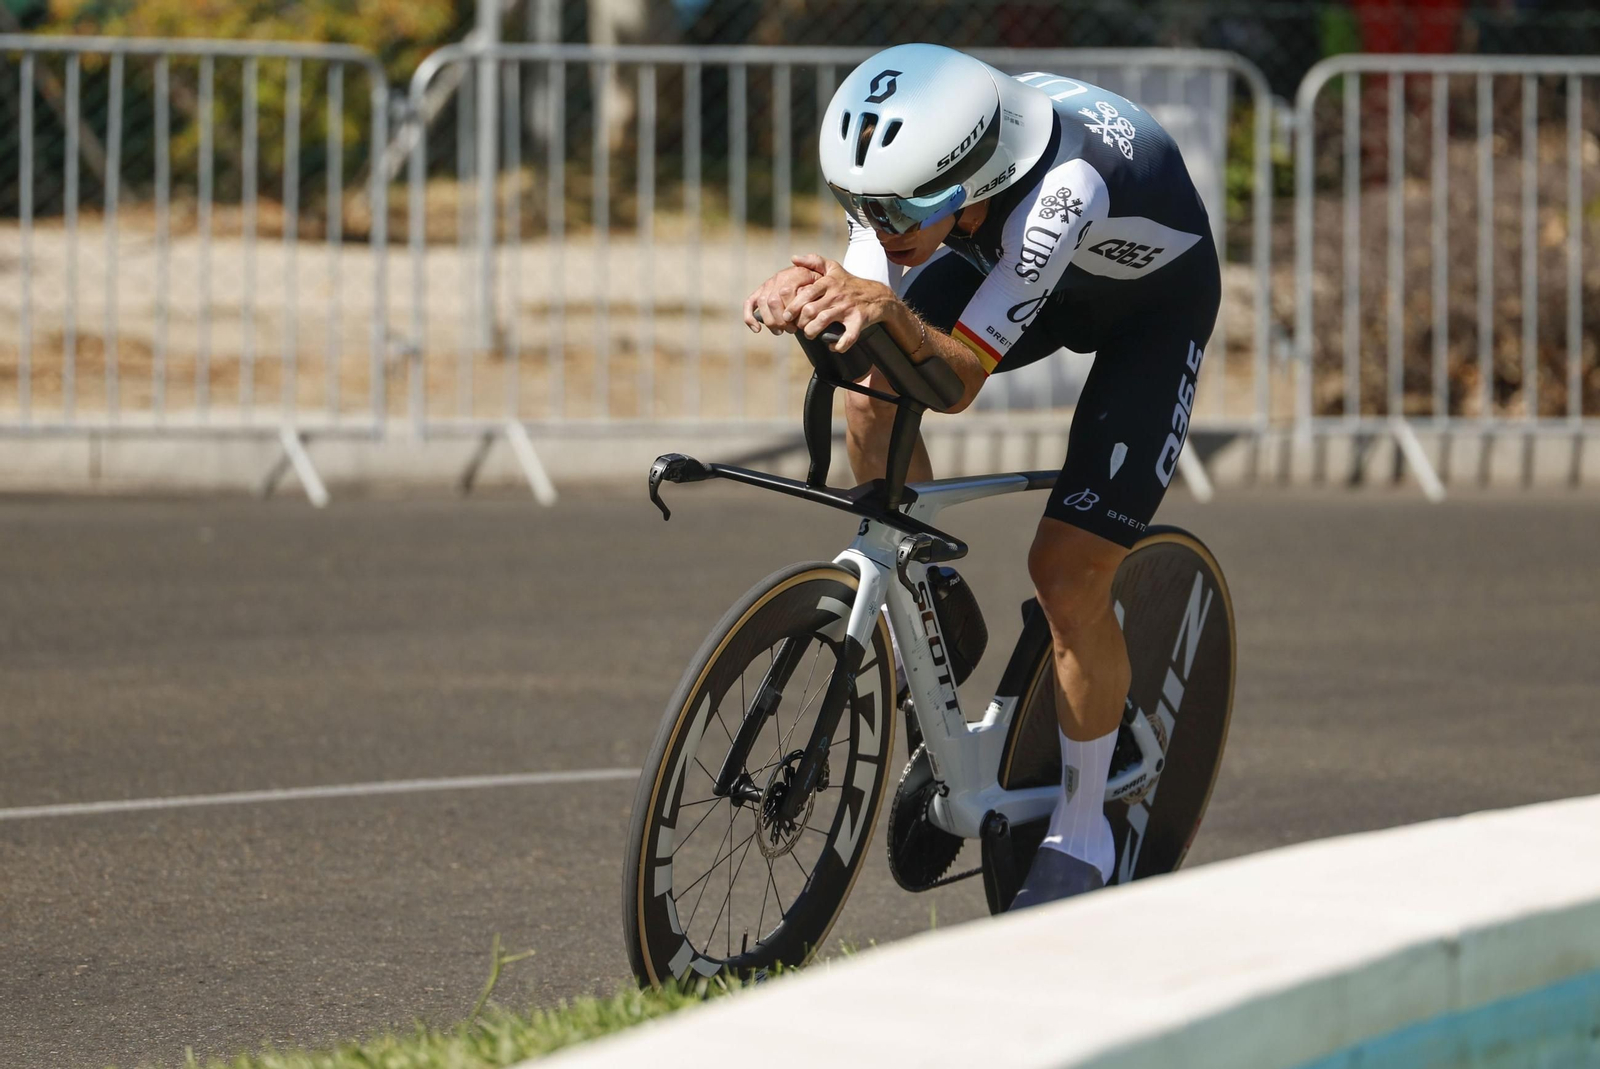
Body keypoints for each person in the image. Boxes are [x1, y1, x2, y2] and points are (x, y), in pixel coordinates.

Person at [743, 43, 1220, 911]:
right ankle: (933, 602)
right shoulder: (910, 180)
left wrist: (885, 307)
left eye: (896, 210)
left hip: (1149, 309)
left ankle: (1084, 828)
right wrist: (810, 297)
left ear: (969, 179)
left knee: (1067, 575)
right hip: (1015, 258)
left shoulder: (1063, 187)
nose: (876, 226)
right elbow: (871, 315)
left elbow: (957, 379)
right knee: (869, 396)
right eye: (859, 205)